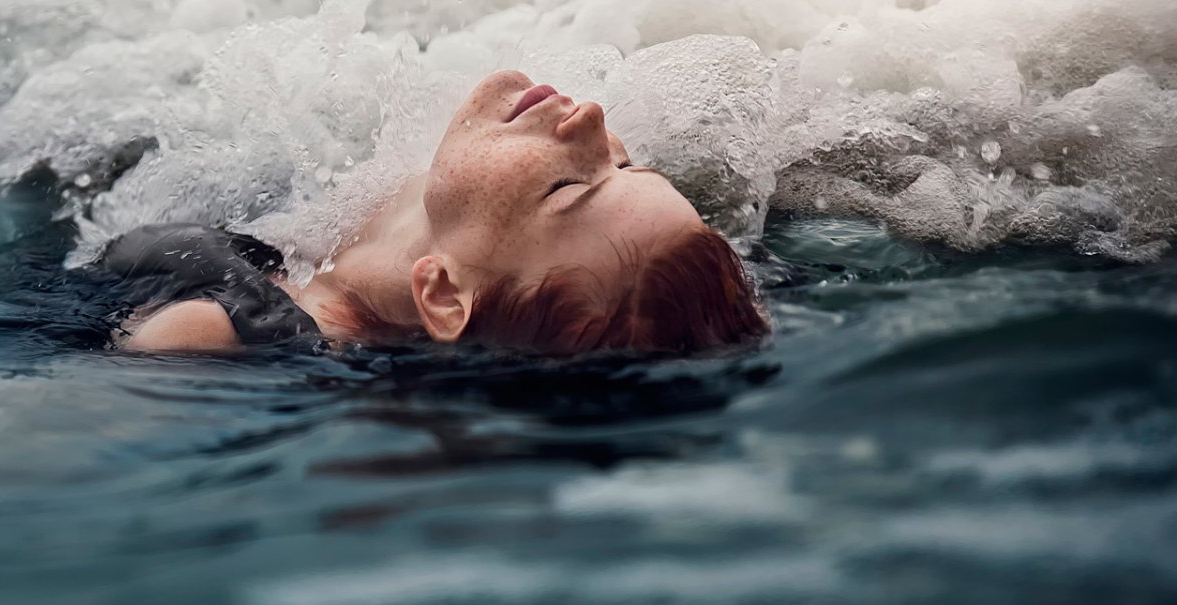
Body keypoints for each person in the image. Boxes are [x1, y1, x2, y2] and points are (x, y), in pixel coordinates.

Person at [106, 69, 769, 358]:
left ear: (445, 294)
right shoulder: (442, 215)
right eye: (626, 166)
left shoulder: (210, 334)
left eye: (568, 188)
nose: (595, 121)